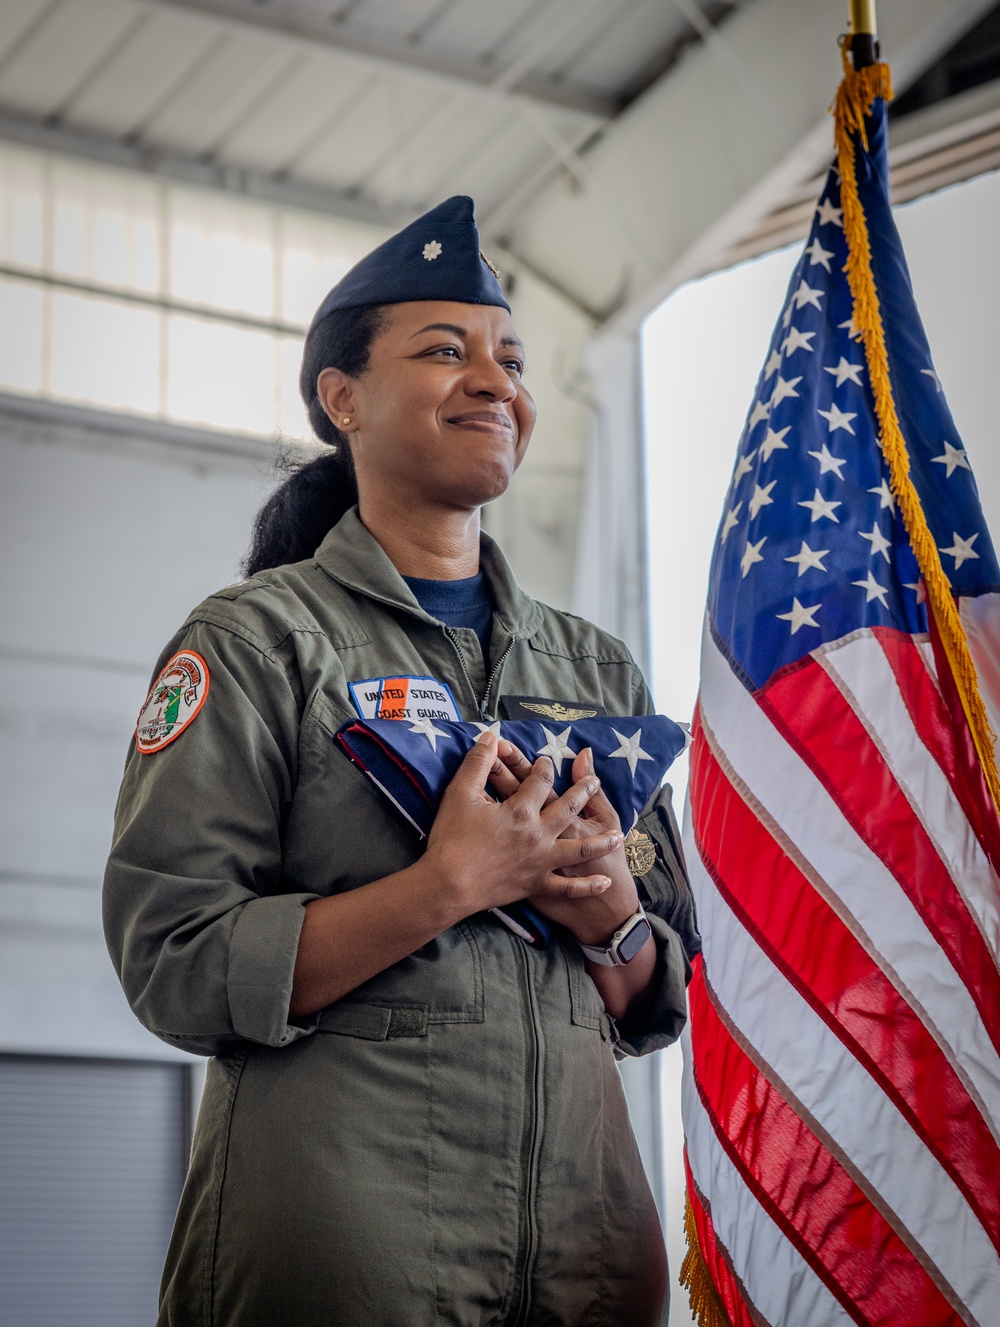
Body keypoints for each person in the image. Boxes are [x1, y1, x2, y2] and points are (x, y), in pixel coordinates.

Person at [103, 196, 698, 1327]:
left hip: (588, 1245)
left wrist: (613, 915)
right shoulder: (256, 641)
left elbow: (653, 992)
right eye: (444, 351)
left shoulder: (596, 667)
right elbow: (173, 959)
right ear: (343, 400)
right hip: (347, 1240)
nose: (495, 381)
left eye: (511, 359)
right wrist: (445, 886)